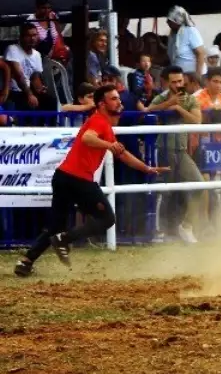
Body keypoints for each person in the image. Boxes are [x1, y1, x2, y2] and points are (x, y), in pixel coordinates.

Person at [15, 85, 167, 277]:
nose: (119, 101)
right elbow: (88, 138)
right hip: (78, 179)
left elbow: (123, 154)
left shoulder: (103, 124)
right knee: (107, 219)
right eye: (113, 99)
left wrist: (147, 168)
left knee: (55, 226)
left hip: (63, 177)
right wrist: (109, 145)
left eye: (118, 98)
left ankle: (26, 262)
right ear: (102, 104)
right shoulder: (99, 121)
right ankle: (64, 239)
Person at [146, 66, 204, 244]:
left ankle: (186, 226)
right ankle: (160, 231)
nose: (178, 85)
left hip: (182, 150)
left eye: (181, 81)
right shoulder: (162, 97)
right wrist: (169, 104)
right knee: (166, 191)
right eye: (174, 82)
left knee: (199, 185)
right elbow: (148, 111)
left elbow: (197, 121)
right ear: (166, 82)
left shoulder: (189, 99)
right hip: (164, 149)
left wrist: (178, 109)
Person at [6, 22, 44, 110]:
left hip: (27, 92)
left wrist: (40, 88)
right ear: (21, 37)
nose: (32, 38)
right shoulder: (13, 49)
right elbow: (19, 76)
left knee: (50, 101)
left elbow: (35, 77)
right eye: (28, 36)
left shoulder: (37, 55)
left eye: (34, 35)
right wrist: (30, 94)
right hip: (13, 92)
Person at [29, 0, 70, 64]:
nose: (46, 11)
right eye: (43, 8)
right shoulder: (31, 21)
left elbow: (59, 34)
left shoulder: (53, 16)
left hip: (57, 56)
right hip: (40, 59)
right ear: (37, 8)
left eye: (49, 8)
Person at [166, 6, 206, 75]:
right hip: (180, 76)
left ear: (177, 21)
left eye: (170, 21)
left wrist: (198, 75)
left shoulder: (190, 31)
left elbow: (201, 53)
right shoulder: (173, 35)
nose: (167, 22)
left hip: (193, 76)